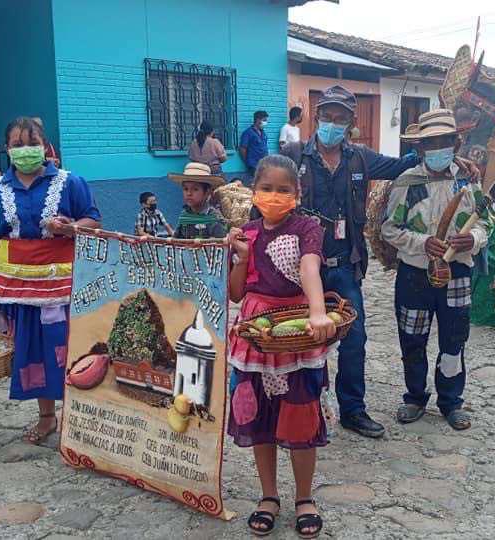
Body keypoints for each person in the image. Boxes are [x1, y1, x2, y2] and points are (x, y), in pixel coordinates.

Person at [280, 85, 419, 438]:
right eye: (326, 116)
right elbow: (268, 194)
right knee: (300, 339)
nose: (331, 123)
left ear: (351, 123)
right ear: (316, 116)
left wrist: (438, 151)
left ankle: (353, 410)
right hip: (300, 268)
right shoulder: (294, 156)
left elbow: (402, 165)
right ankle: (297, 411)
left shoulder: (360, 159)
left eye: (340, 118)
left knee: (354, 339)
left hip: (344, 265)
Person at [226, 154, 333, 539]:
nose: (274, 195)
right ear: (254, 193)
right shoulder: (247, 231)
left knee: (301, 415)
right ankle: (268, 495)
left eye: (283, 189)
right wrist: (238, 257)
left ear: (297, 193)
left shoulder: (307, 227)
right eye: (267, 188)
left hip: (296, 330)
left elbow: (309, 268)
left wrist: (318, 312)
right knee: (260, 418)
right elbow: (237, 293)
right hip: (256, 331)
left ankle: (305, 497)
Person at [0, 117, 101, 445]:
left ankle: (80, 417)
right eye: (17, 145)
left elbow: (94, 220)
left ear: (45, 147)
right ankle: (47, 417)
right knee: (32, 352)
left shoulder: (70, 183)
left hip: (64, 286)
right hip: (17, 288)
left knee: (69, 349)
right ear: (7, 149)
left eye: (31, 143)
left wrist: (72, 227)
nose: (25, 150)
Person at [380, 108, 485, 430]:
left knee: (455, 338)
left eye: (445, 140)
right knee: (412, 338)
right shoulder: (407, 183)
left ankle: (451, 401)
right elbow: (389, 228)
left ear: (455, 143)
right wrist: (422, 242)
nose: (439, 146)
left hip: (458, 273)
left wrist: (474, 239)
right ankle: (414, 397)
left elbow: (486, 222)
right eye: (431, 142)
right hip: (414, 275)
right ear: (421, 147)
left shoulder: (468, 181)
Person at [169, 162, 228, 239]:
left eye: (195, 189)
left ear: (207, 192)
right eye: (185, 189)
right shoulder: (184, 215)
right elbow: (176, 240)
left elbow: (219, 244)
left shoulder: (214, 217)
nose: (189, 193)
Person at [239, 111, 269, 179]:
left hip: (264, 165)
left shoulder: (263, 133)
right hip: (254, 165)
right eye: (264, 120)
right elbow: (242, 149)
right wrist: (247, 161)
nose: (266, 122)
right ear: (258, 120)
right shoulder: (248, 133)